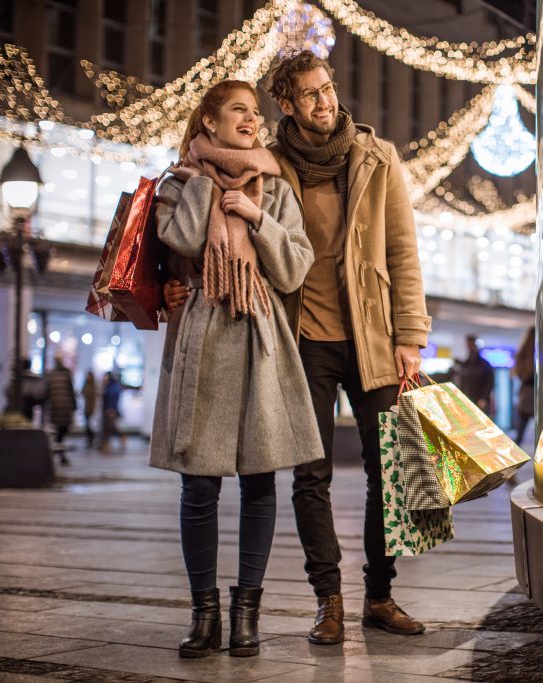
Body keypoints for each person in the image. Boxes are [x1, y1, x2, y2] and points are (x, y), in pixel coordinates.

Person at [166, 51, 431, 646]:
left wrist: (410, 335)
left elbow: (403, 251)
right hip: (302, 337)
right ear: (285, 103)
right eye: (309, 95)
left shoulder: (375, 157)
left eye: (328, 90)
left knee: (388, 471)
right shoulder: (270, 165)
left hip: (372, 337)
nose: (324, 102)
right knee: (310, 478)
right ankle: (329, 601)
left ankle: (380, 595)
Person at [151, 79, 322, 659]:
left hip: (257, 336)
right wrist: (204, 185)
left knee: (260, 479)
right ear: (208, 122)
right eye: (238, 112)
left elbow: (296, 265)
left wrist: (255, 214)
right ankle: (205, 614)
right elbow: (180, 237)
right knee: (198, 486)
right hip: (201, 331)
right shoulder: (177, 183)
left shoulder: (272, 186)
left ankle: (247, 610)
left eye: (255, 112)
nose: (252, 120)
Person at [44, 353, 76, 465]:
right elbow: (71, 390)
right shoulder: (66, 373)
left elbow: (47, 391)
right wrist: (74, 405)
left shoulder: (51, 374)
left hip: (54, 406)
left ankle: (57, 452)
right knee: (63, 430)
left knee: (58, 430)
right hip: (66, 406)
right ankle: (59, 454)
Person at [456, 334, 494, 412]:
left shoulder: (484, 364)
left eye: (470, 344)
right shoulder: (466, 364)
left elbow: (489, 383)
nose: (468, 346)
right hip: (466, 399)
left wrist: (483, 398)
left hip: (479, 401)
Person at [512, 326, 536, 444]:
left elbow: (517, 373)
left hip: (525, 394)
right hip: (536, 395)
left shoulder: (522, 353)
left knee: (519, 435)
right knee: (542, 434)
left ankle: (513, 459)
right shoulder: (539, 354)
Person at [99, 371, 123, 453]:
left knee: (110, 427)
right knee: (106, 427)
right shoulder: (107, 385)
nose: (104, 378)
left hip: (110, 409)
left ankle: (121, 437)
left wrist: (112, 409)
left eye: (105, 376)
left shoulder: (113, 386)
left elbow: (113, 398)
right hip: (105, 409)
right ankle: (104, 443)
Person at [81, 370, 98, 447]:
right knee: (87, 424)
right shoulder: (86, 384)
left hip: (92, 407)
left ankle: (92, 437)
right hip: (86, 407)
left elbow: (94, 394)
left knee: (90, 424)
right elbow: (83, 392)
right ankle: (90, 438)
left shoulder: (94, 385)